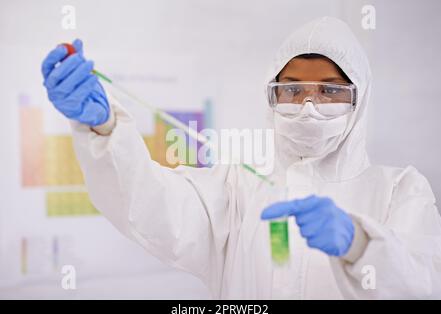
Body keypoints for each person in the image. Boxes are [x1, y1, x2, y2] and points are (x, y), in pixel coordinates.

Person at [41, 17, 441, 299]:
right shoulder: (235, 185)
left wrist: (361, 244)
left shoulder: (400, 190)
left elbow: (425, 283)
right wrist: (105, 128)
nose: (307, 106)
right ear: (272, 95)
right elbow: (150, 204)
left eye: (330, 91)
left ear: (361, 99)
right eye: (292, 89)